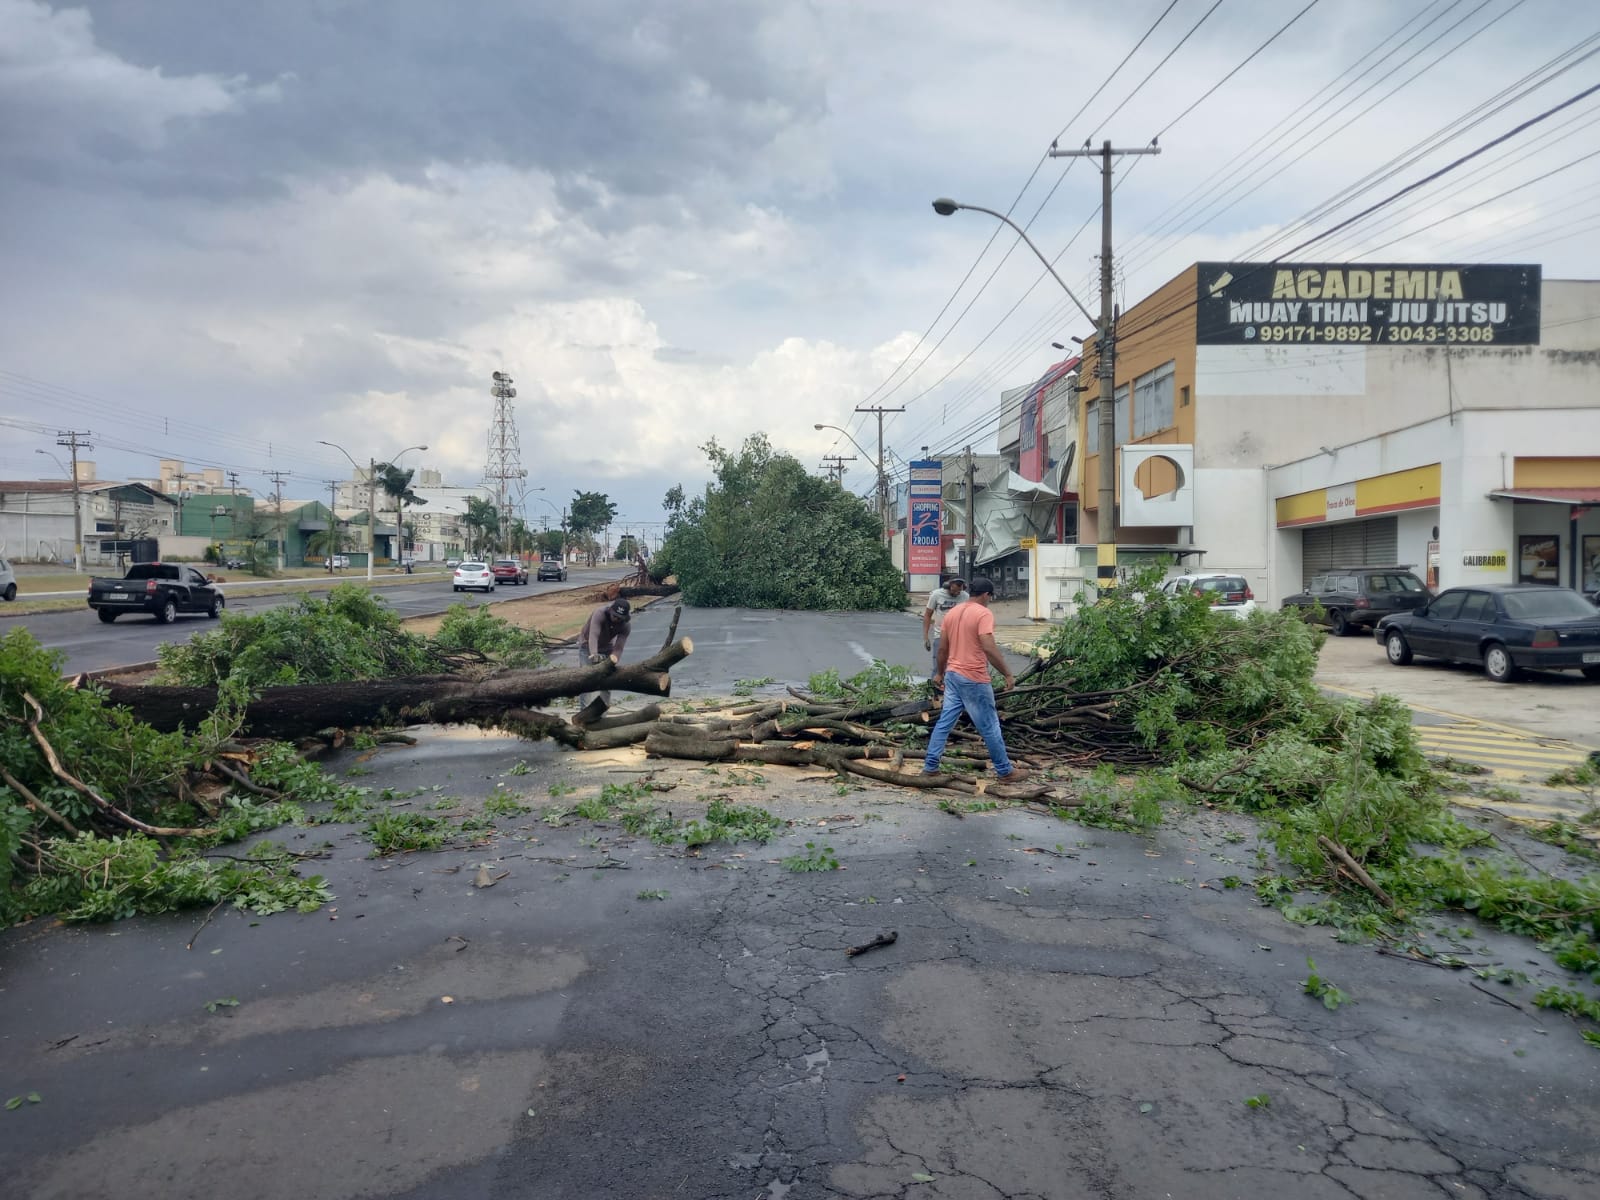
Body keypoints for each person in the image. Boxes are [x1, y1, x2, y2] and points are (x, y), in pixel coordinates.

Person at [922, 576, 1026, 781]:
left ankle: (930, 766)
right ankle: (1005, 771)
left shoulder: (952, 614)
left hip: (953, 675)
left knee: (945, 722)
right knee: (990, 724)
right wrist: (1007, 673)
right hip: (974, 677)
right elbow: (988, 645)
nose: (989, 600)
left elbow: (942, 648)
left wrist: (940, 672)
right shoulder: (983, 614)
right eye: (990, 597)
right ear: (986, 594)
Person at [575, 597, 633, 722]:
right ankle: (584, 717)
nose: (616, 619)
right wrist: (594, 654)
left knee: (607, 681)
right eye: (614, 616)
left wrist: (614, 660)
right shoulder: (600, 613)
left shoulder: (626, 626)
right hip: (587, 646)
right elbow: (593, 636)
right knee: (586, 680)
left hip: (607, 648)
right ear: (610, 611)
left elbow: (619, 647)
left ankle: (602, 716)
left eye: (619, 618)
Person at [922, 577, 967, 677]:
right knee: (939, 667)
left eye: (959, 591)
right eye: (955, 591)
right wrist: (925, 637)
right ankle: (936, 688)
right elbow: (928, 615)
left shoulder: (965, 596)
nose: (957, 594)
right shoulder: (937, 595)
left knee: (957, 667)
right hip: (940, 635)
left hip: (959, 637)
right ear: (949, 587)